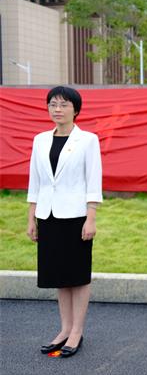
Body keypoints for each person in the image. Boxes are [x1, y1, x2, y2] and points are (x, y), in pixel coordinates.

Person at [27, 86, 103, 358]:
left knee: (77, 275)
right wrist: (32, 217)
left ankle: (77, 332)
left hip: (76, 216)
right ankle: (64, 329)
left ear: (76, 109)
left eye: (63, 104)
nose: (57, 109)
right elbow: (35, 181)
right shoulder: (40, 140)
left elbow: (93, 180)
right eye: (53, 104)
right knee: (59, 275)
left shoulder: (88, 140)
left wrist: (91, 217)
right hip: (47, 215)